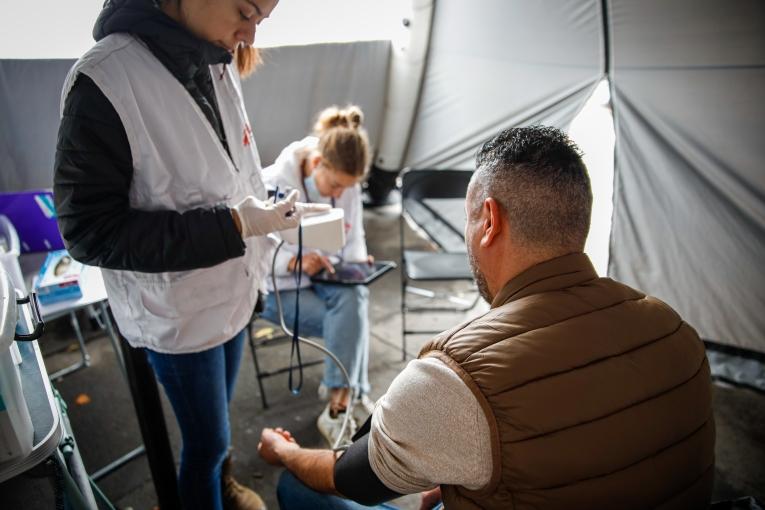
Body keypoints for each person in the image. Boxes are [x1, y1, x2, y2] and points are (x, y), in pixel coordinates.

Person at [257, 126, 716, 510]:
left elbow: (350, 476)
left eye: (468, 221)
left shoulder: (454, 376)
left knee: (297, 484)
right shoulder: (677, 331)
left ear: (490, 221)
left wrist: (288, 451)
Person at [53, 1, 327, 509]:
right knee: (205, 443)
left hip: (233, 289)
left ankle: (220, 483)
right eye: (245, 11)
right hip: (179, 313)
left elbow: (223, 171)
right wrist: (235, 225)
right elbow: (88, 231)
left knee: (216, 423)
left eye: (260, 21)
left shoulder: (215, 58)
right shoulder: (105, 80)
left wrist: (266, 210)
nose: (248, 35)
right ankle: (206, 488)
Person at [260, 105, 375, 445]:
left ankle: (338, 407)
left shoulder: (346, 183)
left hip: (329, 280)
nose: (340, 195)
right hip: (279, 287)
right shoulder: (271, 185)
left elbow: (353, 238)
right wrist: (294, 263)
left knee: (356, 295)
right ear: (315, 165)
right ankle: (346, 402)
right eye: (336, 186)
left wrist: (357, 265)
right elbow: (252, 258)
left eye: (348, 189)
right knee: (351, 316)